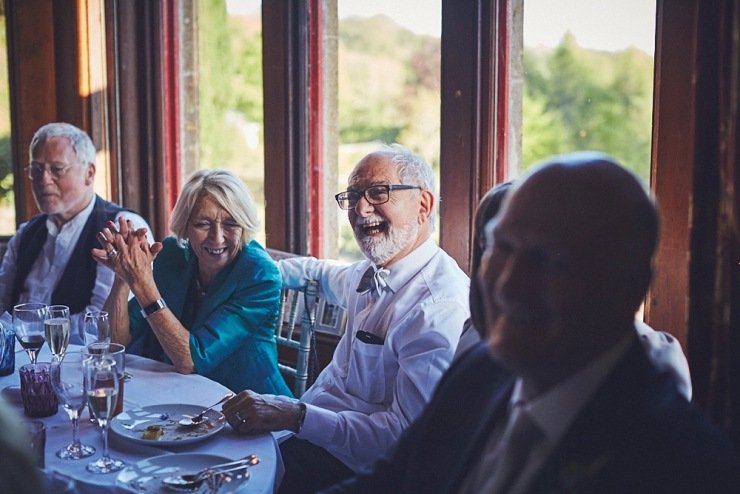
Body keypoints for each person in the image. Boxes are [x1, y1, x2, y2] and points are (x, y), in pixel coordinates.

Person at [322, 152, 740, 494]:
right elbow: (389, 482)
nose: (507, 285)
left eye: (550, 261)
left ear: (630, 287)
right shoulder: (478, 371)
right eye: (500, 248)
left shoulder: (680, 462)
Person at [221, 145, 470, 493]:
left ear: (423, 205)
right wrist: (257, 274)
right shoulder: (372, 272)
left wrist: (295, 416)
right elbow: (318, 273)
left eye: (378, 192)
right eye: (353, 195)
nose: (360, 209)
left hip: (352, 470)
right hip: (307, 438)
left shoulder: (435, 306)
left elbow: (403, 441)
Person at [454, 182, 693, 401]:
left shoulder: (654, 361)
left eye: (545, 258)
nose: (509, 284)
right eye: (501, 249)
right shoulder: (477, 360)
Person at [93, 169, 291, 396]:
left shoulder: (260, 275)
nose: (217, 237)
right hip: (184, 399)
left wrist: (142, 282)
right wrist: (125, 275)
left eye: (231, 224)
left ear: (244, 225)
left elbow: (190, 359)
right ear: (185, 225)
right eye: (203, 224)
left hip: (252, 407)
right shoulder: (172, 256)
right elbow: (113, 343)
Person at [0, 122, 151, 339]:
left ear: (89, 173)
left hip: (83, 364)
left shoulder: (120, 228)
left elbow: (100, 325)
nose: (44, 180)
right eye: (37, 170)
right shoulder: (26, 234)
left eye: (57, 169)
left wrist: (23, 330)